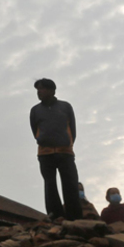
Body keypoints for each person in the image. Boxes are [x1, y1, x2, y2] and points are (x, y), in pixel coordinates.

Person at [29, 78, 82, 220]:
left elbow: (72, 129)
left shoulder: (65, 107)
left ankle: (74, 216)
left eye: (42, 89)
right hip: (45, 154)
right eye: (37, 90)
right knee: (50, 184)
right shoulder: (35, 110)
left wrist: (67, 143)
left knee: (70, 183)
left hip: (65, 152)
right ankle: (55, 215)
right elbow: (35, 131)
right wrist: (43, 141)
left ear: (52, 91)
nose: (39, 92)